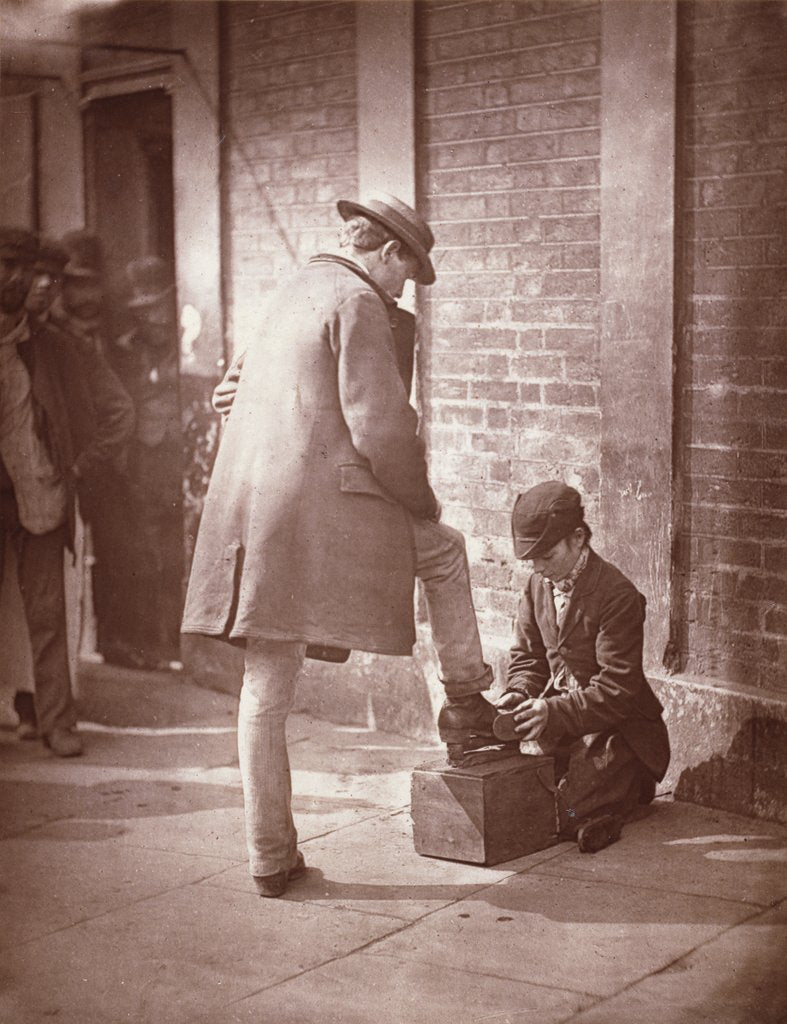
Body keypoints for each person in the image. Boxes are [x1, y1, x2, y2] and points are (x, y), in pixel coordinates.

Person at [182, 192, 496, 896]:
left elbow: (226, 395)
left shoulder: (288, 290)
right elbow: (382, 429)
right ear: (386, 252)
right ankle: (467, 702)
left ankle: (270, 857)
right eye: (405, 274)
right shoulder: (357, 302)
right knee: (442, 548)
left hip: (251, 514)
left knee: (265, 686)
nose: (402, 289)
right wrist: (420, 500)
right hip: (323, 511)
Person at [0, 227, 131, 755]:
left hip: (38, 494)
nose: (22, 282)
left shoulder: (55, 346)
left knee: (48, 611)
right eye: (10, 269)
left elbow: (117, 410)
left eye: (27, 272)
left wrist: (76, 467)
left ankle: (58, 722)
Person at [493, 481, 671, 852]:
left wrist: (552, 711)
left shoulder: (617, 596)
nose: (539, 568)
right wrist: (518, 693)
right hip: (568, 724)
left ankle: (629, 792)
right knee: (520, 792)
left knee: (558, 808)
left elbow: (617, 691)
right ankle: (593, 805)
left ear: (578, 538)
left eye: (548, 555)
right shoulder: (536, 586)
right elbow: (529, 658)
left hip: (619, 730)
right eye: (531, 559)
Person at [109, 256, 183, 668]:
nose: (152, 317)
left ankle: (174, 642)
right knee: (144, 554)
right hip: (144, 459)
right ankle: (148, 645)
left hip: (180, 456)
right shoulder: (126, 350)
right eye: (143, 310)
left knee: (176, 554)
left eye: (157, 307)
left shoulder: (189, 338)